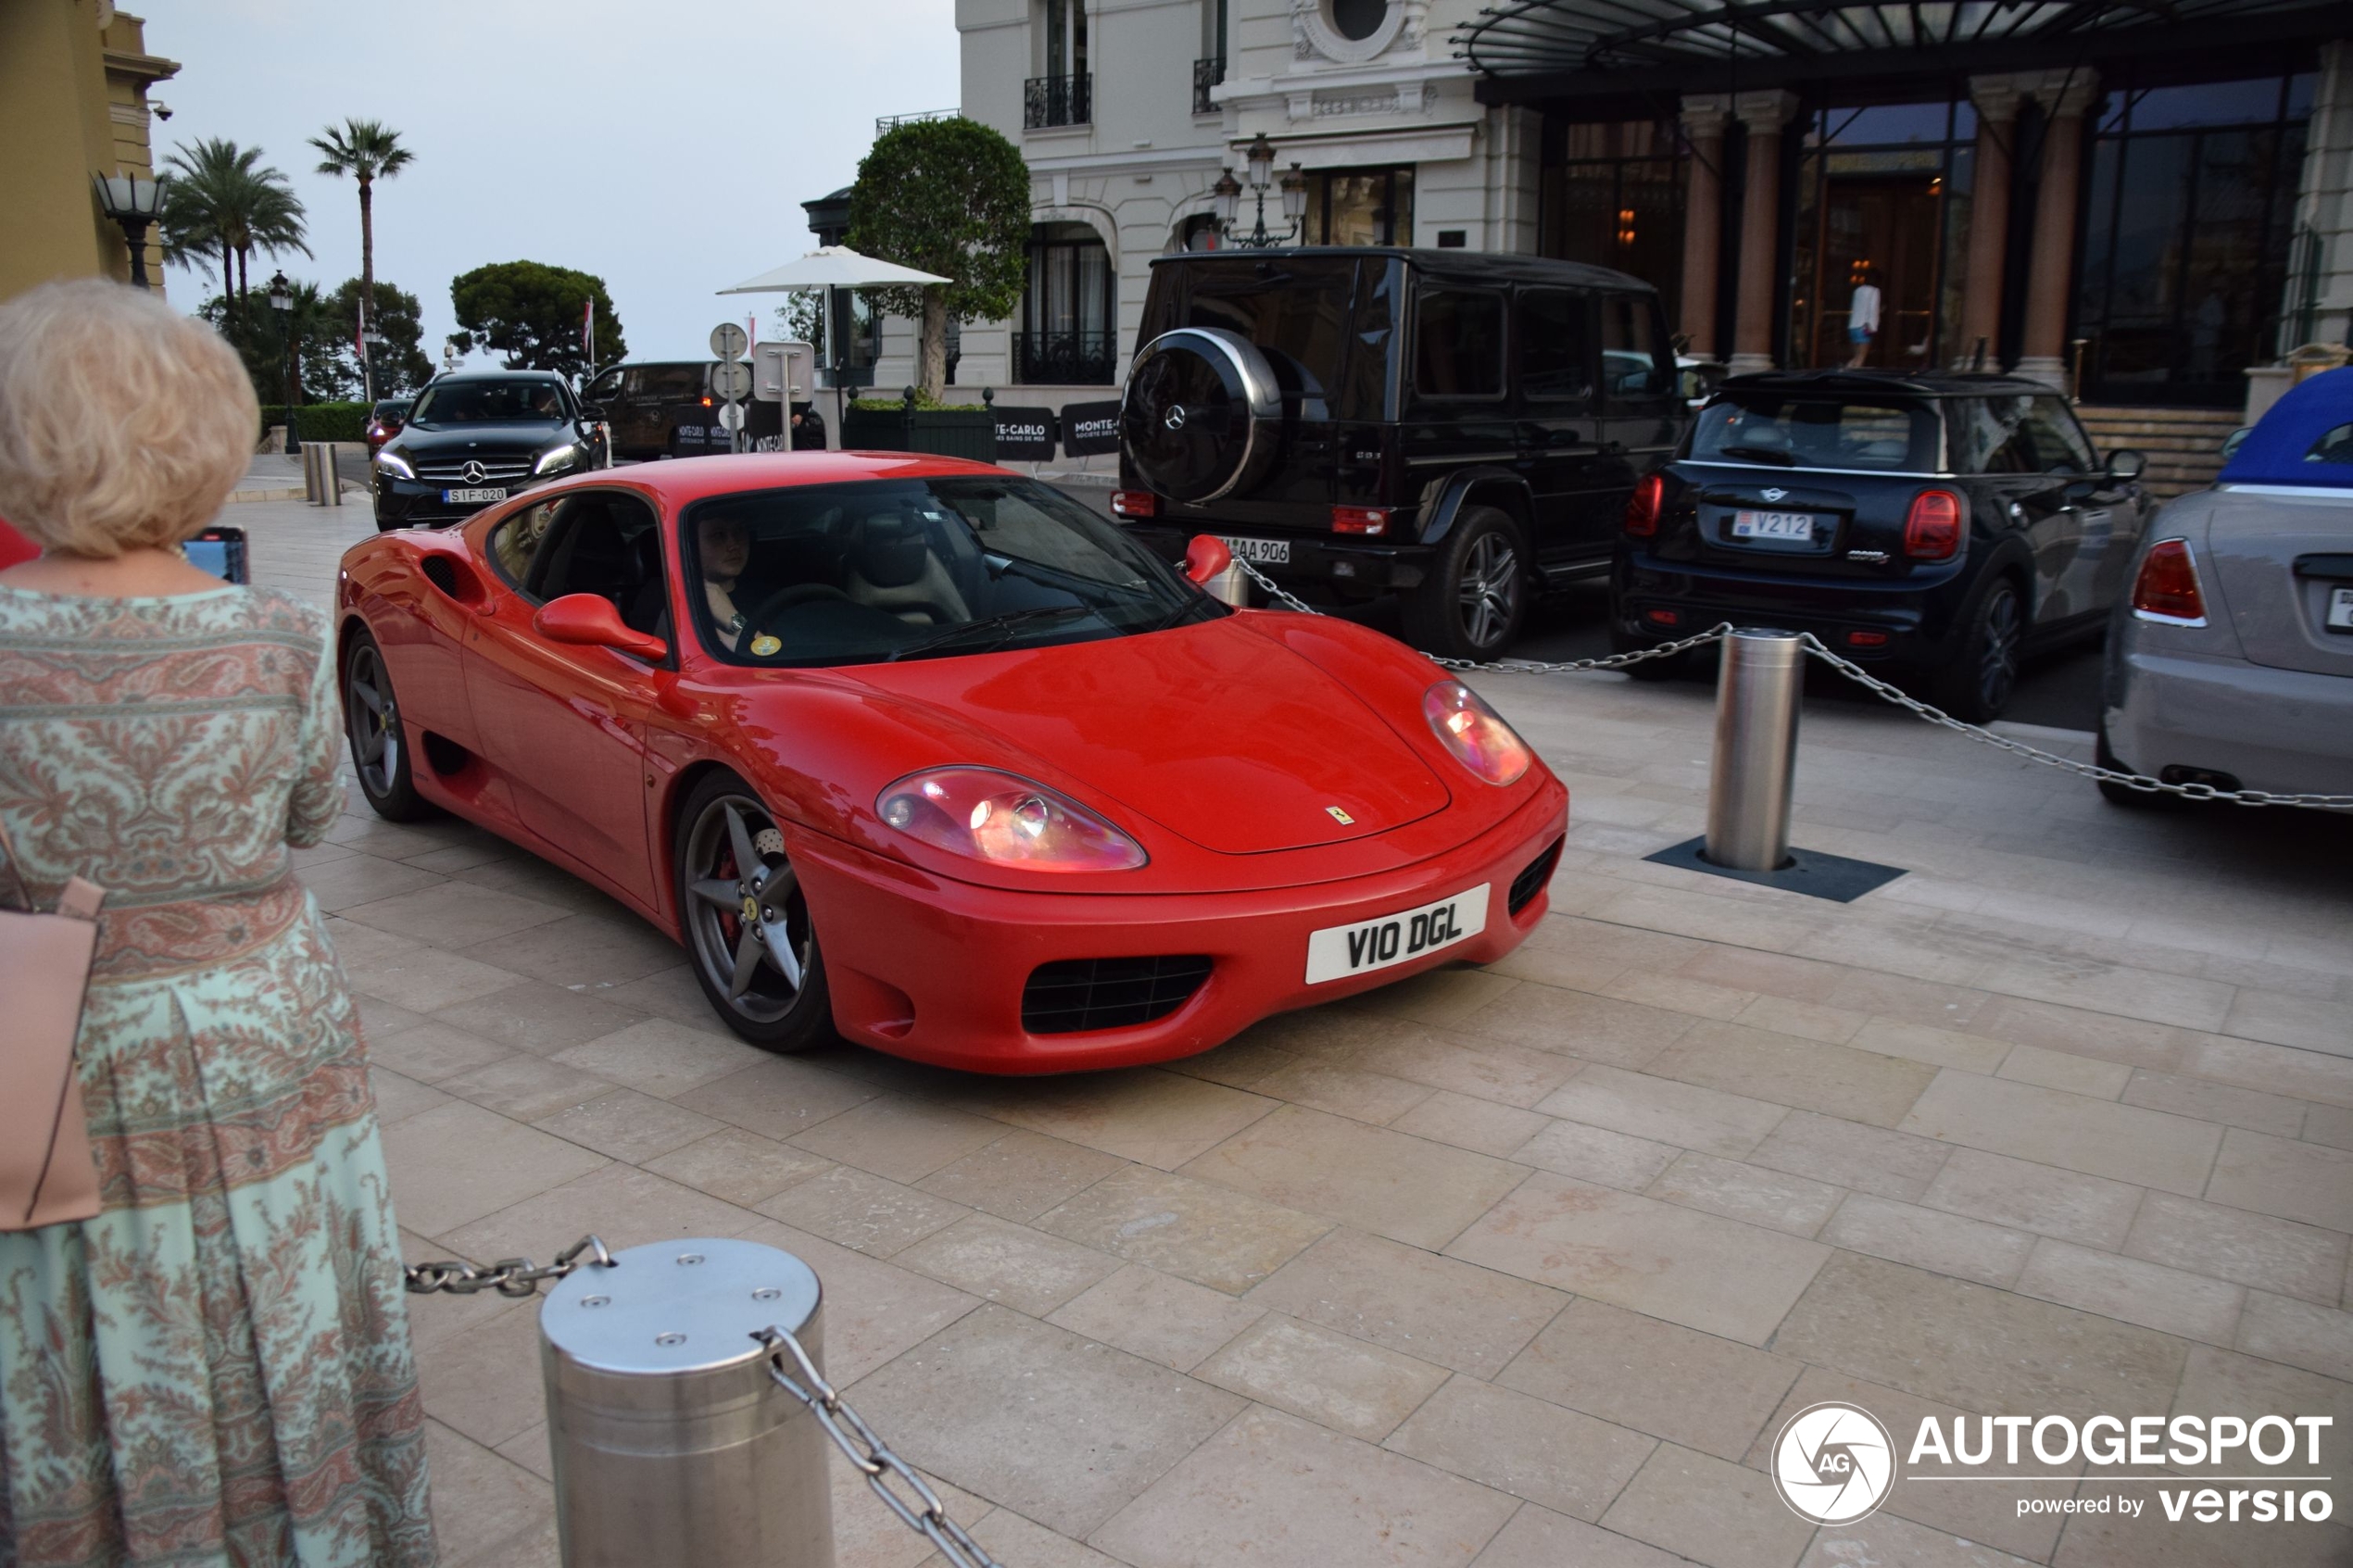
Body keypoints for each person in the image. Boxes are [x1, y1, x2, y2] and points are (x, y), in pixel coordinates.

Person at [0, 280, 434, 1567]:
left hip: (58, 1029)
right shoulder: (269, 633)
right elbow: (309, 815)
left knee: (87, 1299)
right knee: (288, 1285)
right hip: (264, 1016)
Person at [698, 511, 753, 649]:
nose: (733, 545)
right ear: (692, 545)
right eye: (718, 535)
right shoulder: (675, 605)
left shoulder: (774, 593)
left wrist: (732, 618)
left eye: (739, 531)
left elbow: (772, 655)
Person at [1847, 261, 1881, 369]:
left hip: (1853, 326)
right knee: (1861, 357)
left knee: (1856, 357)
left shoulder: (1858, 290)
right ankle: (1851, 379)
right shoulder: (1875, 291)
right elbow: (1873, 309)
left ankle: (1845, 372)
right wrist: (1873, 326)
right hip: (1865, 327)